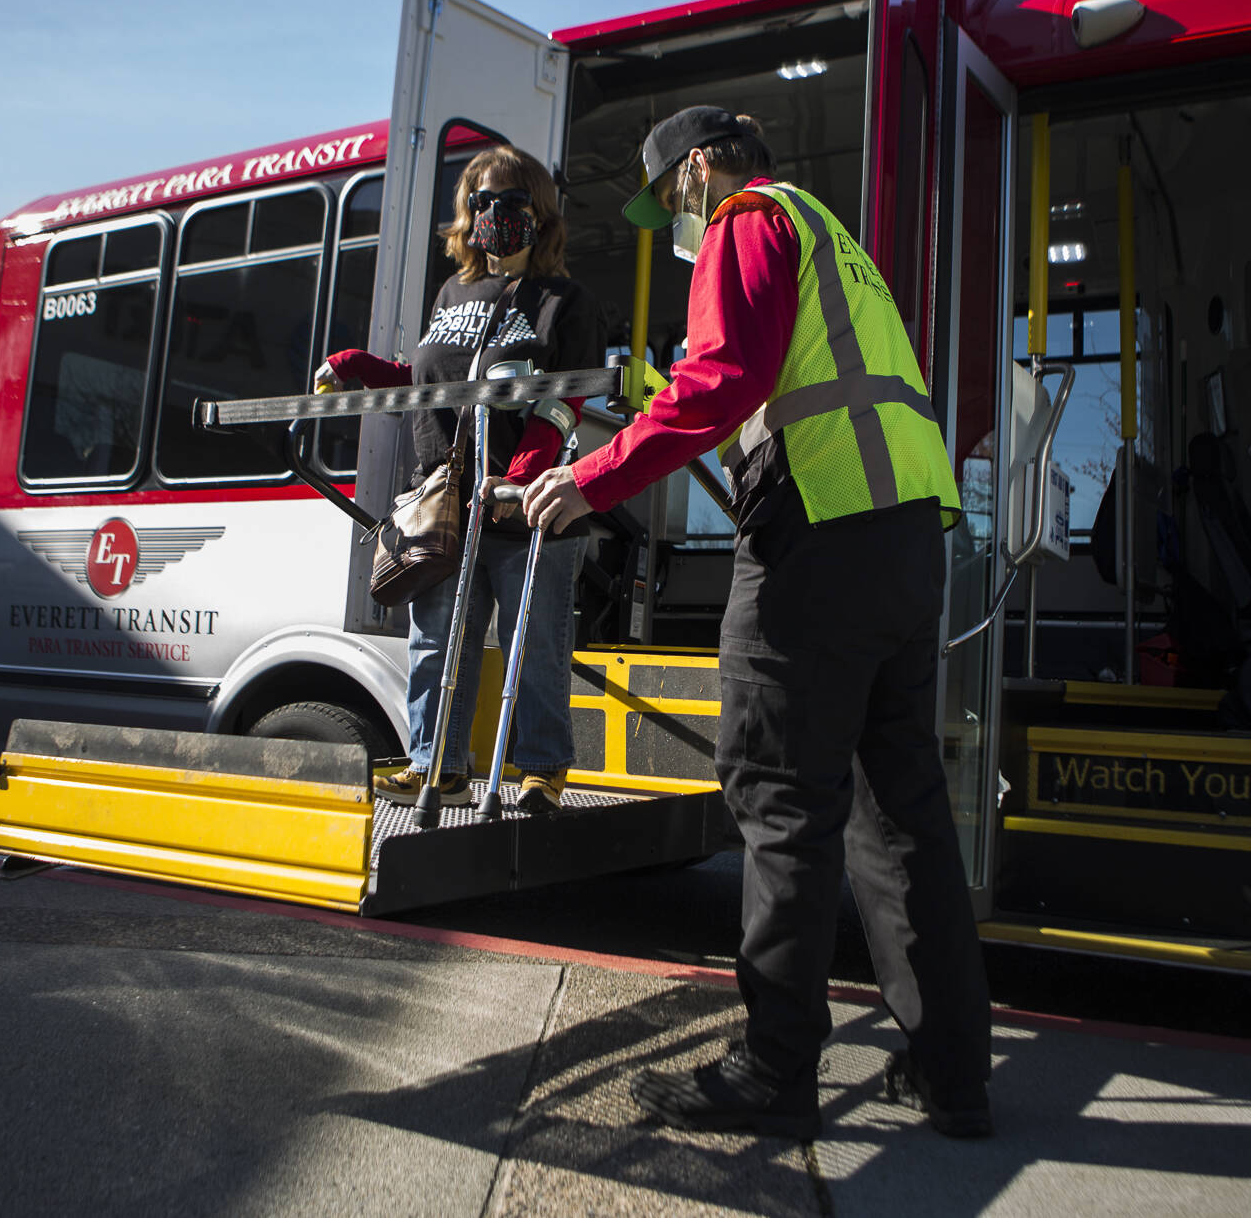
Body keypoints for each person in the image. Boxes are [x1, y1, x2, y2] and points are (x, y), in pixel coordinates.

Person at [521, 107, 994, 1138]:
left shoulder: (743, 220)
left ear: (697, 168)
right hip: (907, 548)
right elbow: (766, 384)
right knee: (898, 811)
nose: (670, 223)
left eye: (666, 201)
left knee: (780, 802)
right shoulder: (835, 241)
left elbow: (723, 377)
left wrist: (594, 479)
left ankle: (772, 1070)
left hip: (816, 544)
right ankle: (953, 1073)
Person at [319, 145, 602, 815]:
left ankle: (539, 771)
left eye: (509, 200)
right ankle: (436, 767)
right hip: (449, 503)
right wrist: (361, 365)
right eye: (481, 201)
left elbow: (567, 403)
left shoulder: (566, 302)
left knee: (535, 642)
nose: (494, 213)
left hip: (529, 505)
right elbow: (429, 382)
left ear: (538, 211)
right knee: (437, 639)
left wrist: (523, 470)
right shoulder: (451, 294)